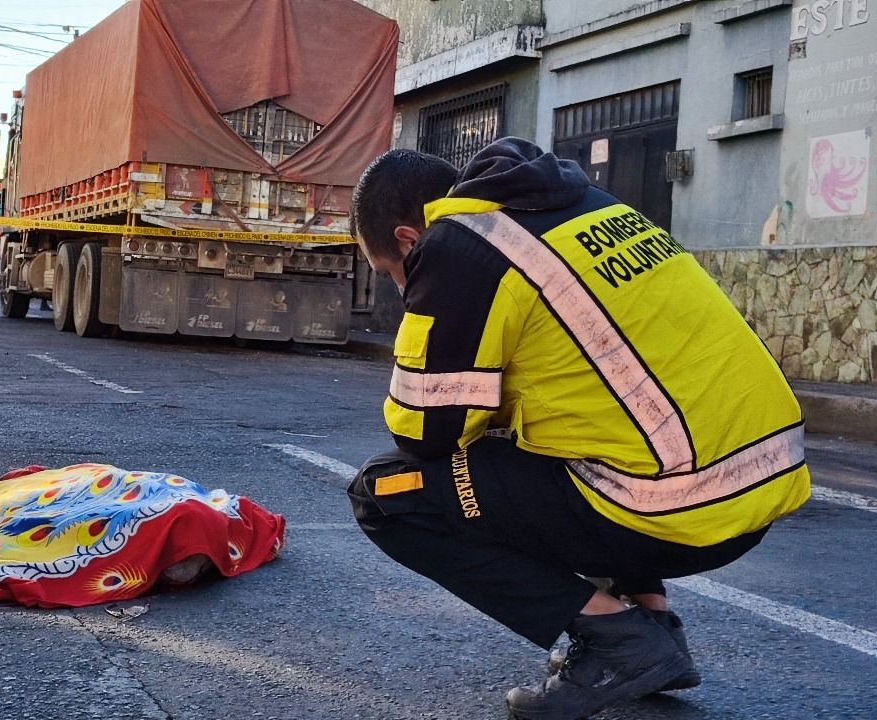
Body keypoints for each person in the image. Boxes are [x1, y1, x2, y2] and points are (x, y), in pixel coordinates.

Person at [346, 139, 810, 720]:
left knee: (385, 494)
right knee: (579, 438)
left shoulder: (461, 247)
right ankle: (653, 619)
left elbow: (424, 433)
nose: (398, 288)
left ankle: (619, 640)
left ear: (407, 241)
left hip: (677, 508)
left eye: (389, 273)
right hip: (760, 486)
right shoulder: (586, 206)